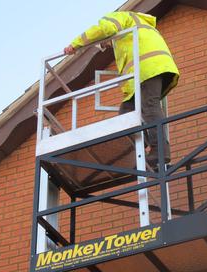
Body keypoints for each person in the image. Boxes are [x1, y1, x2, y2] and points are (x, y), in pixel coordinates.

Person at [64, 11, 179, 168]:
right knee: (126, 114)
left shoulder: (118, 18)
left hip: (148, 68)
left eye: (105, 43)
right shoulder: (135, 27)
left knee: (149, 105)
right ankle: (142, 145)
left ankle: (160, 151)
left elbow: (105, 28)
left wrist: (75, 44)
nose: (107, 46)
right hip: (148, 71)